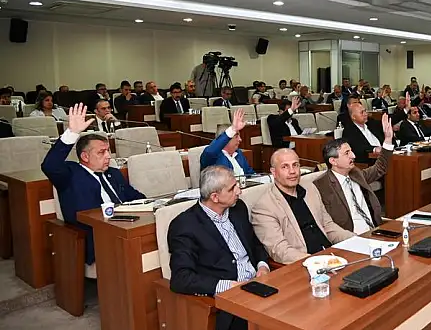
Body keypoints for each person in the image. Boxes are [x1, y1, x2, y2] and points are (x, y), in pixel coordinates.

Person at [41, 104, 146, 265]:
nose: (108, 156)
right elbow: (50, 165)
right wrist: (72, 133)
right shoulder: (71, 174)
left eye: (108, 151)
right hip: (97, 236)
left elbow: (136, 197)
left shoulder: (113, 173)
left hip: (126, 227)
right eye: (101, 152)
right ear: (85, 156)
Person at [168, 165, 269, 330]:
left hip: (259, 287)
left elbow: (255, 244)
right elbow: (181, 279)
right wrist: (230, 287)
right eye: (232, 188)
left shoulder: (238, 208)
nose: (239, 191)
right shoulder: (185, 225)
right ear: (215, 197)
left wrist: (263, 266)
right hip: (229, 304)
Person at [252, 149, 355, 264]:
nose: (292, 171)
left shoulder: (310, 189)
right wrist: (317, 261)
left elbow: (328, 226)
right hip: (305, 263)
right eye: (285, 167)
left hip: (332, 255)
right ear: (274, 172)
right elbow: (280, 251)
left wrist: (356, 239)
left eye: (295, 165)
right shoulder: (264, 207)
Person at [313, 114, 393, 234]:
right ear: (333, 161)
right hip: (350, 236)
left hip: (375, 230)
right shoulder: (322, 186)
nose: (353, 156)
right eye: (347, 153)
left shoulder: (356, 173)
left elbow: (380, 168)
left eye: (351, 151)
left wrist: (388, 139)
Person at [200, 109, 255, 175]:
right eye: (236, 136)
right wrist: (233, 130)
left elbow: (250, 174)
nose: (240, 139)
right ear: (226, 139)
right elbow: (210, 151)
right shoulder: (212, 156)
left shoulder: (239, 153)